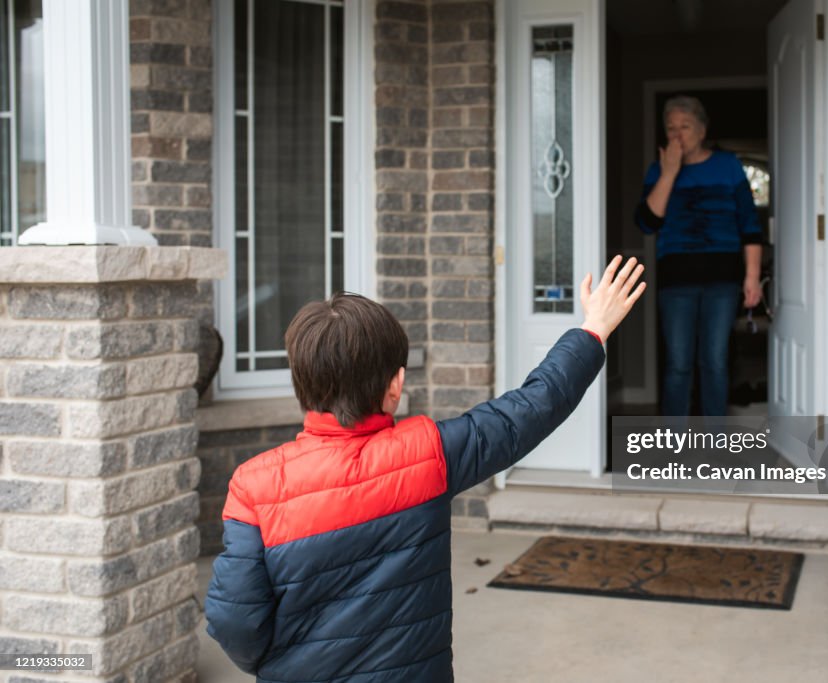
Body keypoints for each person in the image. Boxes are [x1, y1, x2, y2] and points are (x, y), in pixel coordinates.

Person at [205, 256, 646, 682]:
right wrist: (593, 329)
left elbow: (234, 621)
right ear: (395, 386)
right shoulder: (428, 454)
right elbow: (531, 408)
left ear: (301, 383)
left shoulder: (253, 487)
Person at [635, 95, 763, 417]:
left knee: (715, 362)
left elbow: (750, 225)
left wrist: (751, 277)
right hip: (676, 281)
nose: (677, 134)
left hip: (722, 281)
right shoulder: (658, 170)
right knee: (678, 363)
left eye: (685, 127)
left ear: (702, 130)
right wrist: (669, 173)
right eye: (671, 128)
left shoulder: (729, 166)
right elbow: (647, 223)